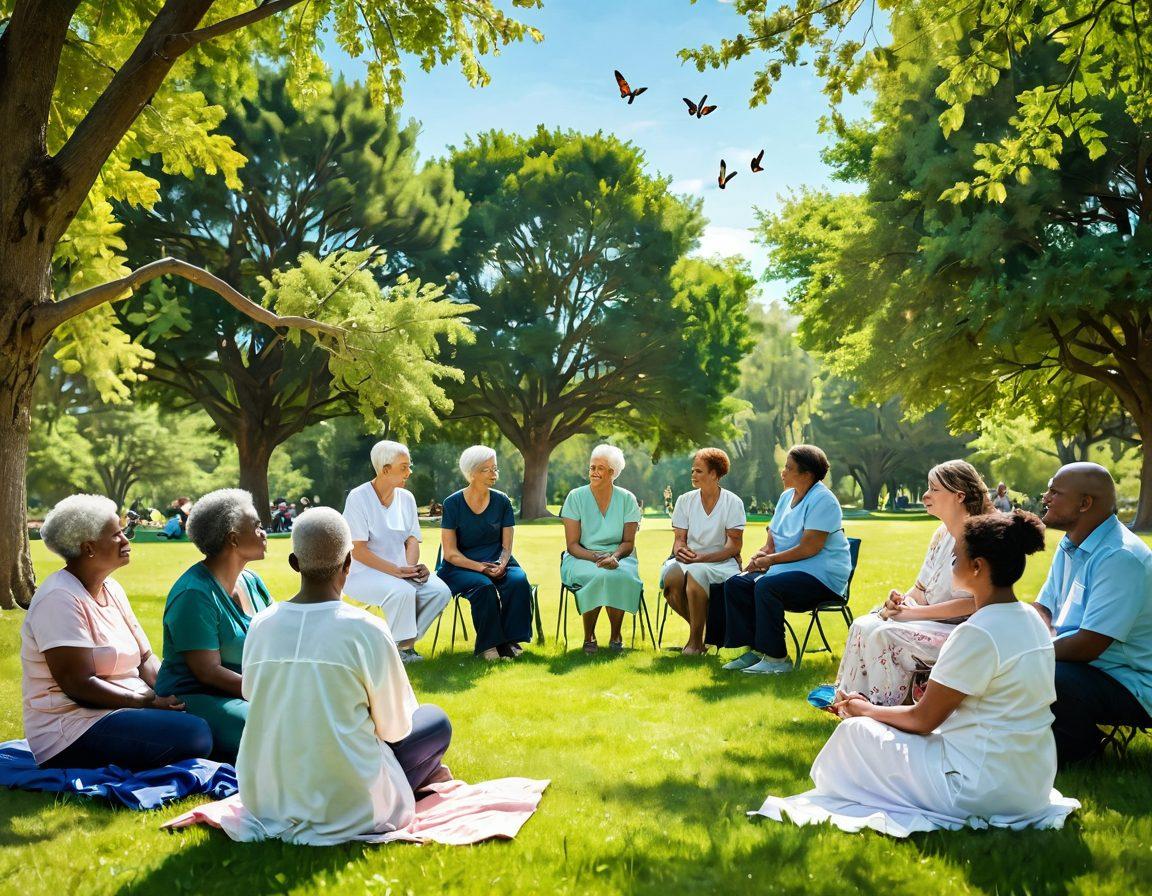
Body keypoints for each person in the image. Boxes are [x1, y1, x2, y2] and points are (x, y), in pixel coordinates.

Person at [753, 511, 1079, 836]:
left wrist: (862, 709)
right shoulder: (1033, 620)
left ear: (977, 567)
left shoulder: (976, 633)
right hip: (1032, 780)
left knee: (855, 734)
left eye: (955, 559)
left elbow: (922, 720)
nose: (950, 566)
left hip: (982, 787)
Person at [235, 508, 453, 845]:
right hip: (351, 805)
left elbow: (252, 696)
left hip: (268, 796)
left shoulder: (262, 625)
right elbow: (395, 727)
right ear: (348, 563)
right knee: (435, 722)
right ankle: (419, 778)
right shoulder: (366, 630)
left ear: (295, 563)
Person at [20, 494, 212, 769]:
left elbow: (146, 659)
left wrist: (173, 691)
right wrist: (146, 701)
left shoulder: (112, 589)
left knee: (204, 714)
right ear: (88, 548)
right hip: (73, 727)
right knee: (196, 734)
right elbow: (78, 684)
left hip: (125, 709)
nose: (126, 540)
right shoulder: (59, 598)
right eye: (116, 535)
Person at [833, 460, 991, 704]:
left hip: (962, 631)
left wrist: (913, 615)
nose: (926, 495)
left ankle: (884, 710)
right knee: (863, 624)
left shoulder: (981, 537)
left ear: (959, 496)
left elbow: (974, 604)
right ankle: (849, 703)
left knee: (884, 634)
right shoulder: (940, 534)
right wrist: (899, 602)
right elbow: (920, 589)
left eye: (934, 489)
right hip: (928, 621)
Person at [1033, 462, 1152, 764]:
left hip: (1132, 682)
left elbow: (1088, 645)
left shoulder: (1120, 557)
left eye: (1055, 492)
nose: (1045, 497)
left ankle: (1081, 751)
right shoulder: (1071, 544)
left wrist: (1027, 653)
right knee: (1031, 665)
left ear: (1085, 503)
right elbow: (1044, 609)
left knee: (1050, 673)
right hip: (1094, 669)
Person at [154, 489, 273, 762]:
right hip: (194, 697)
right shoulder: (195, 594)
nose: (263, 532)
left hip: (246, 688)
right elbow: (208, 672)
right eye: (256, 526)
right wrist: (270, 691)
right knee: (268, 727)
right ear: (233, 539)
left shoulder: (252, 580)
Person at [721, 445, 853, 674]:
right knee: (737, 583)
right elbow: (773, 535)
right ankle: (755, 650)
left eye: (789, 468)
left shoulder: (823, 500)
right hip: (787, 569)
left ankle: (777, 659)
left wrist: (770, 560)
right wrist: (764, 553)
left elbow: (810, 547)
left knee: (766, 586)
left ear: (807, 475)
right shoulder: (785, 497)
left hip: (822, 578)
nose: (783, 472)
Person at [342, 440, 451, 663]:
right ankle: (401, 653)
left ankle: (396, 646)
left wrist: (410, 569)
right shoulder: (358, 498)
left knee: (440, 592)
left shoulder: (406, 498)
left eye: (410, 466)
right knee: (402, 591)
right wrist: (397, 572)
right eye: (404, 467)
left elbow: (412, 540)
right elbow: (359, 551)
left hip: (400, 571)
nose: (409, 472)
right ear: (385, 470)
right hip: (363, 574)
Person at [437, 446, 534, 661]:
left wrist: (501, 563)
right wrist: (480, 568)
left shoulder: (502, 501)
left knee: (518, 580)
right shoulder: (452, 503)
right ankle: (489, 645)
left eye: (495, 469)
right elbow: (450, 553)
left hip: (497, 560)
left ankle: (510, 640)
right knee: (484, 586)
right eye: (486, 470)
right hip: (460, 565)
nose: (494, 474)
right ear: (471, 473)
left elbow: (507, 546)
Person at [661, 448, 745, 655]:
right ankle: (707, 632)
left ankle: (695, 643)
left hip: (722, 562)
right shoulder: (684, 500)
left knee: (696, 574)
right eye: (693, 471)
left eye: (699, 471)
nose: (693, 475)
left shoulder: (733, 502)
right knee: (670, 579)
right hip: (689, 559)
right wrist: (680, 551)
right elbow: (679, 540)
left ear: (715, 474)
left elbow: (734, 546)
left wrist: (702, 558)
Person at [560, 445, 644, 653]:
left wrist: (614, 557)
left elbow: (628, 542)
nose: (594, 472)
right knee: (598, 576)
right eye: (591, 467)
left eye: (600, 468)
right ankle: (589, 636)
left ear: (612, 473)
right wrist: (597, 557)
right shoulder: (575, 497)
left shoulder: (627, 499)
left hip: (621, 556)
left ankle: (616, 635)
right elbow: (572, 545)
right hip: (581, 556)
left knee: (619, 576)